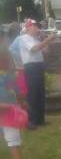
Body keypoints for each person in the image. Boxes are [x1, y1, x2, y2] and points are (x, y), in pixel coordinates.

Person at [19, 19, 56, 129]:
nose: (37, 28)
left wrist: (45, 40)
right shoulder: (23, 38)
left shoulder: (36, 39)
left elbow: (46, 52)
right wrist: (48, 40)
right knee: (32, 94)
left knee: (40, 93)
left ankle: (40, 119)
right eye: (35, 26)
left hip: (39, 66)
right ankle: (31, 121)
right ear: (28, 27)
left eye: (37, 26)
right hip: (31, 67)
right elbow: (34, 49)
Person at [0, 27, 23, 159]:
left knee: (13, 140)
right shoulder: (5, 51)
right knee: (13, 141)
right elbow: (13, 85)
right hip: (8, 105)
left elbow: (13, 83)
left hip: (8, 105)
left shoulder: (5, 53)